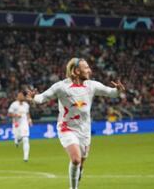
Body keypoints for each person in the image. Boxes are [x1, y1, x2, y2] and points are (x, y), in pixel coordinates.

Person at [27, 58, 125, 189]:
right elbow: (42, 97)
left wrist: (118, 90)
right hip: (66, 128)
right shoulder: (61, 87)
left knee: (81, 162)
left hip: (84, 130)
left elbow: (111, 93)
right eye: (86, 68)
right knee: (76, 159)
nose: (89, 70)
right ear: (77, 71)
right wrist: (34, 98)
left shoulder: (92, 85)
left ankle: (78, 172)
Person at [8, 91, 32, 162]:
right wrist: (16, 115)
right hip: (16, 123)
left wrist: (29, 120)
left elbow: (27, 113)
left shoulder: (26, 105)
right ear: (17, 97)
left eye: (22, 95)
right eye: (20, 95)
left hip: (24, 123)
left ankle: (26, 157)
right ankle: (17, 140)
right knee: (18, 137)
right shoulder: (14, 104)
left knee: (25, 138)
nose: (21, 96)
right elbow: (9, 114)